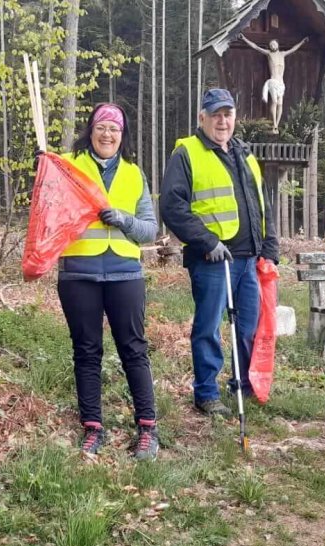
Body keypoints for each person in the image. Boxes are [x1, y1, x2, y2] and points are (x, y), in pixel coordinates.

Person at [160, 88, 279, 417]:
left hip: (249, 259)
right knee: (210, 326)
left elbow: (262, 205)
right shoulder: (187, 154)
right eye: (215, 115)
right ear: (202, 118)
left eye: (227, 114)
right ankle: (206, 392)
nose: (222, 120)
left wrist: (269, 247)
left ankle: (242, 383)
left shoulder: (244, 153)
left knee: (247, 328)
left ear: (234, 118)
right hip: (212, 259)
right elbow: (172, 206)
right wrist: (206, 242)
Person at [57, 103, 160, 461]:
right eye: (101, 127)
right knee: (86, 352)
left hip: (125, 274)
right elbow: (49, 210)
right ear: (91, 130)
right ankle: (92, 428)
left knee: (134, 350)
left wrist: (123, 220)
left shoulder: (134, 174)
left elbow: (150, 230)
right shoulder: (69, 167)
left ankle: (147, 427)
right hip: (78, 273)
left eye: (114, 129)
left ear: (122, 135)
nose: (107, 134)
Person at [239, 35, 311, 132]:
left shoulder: (283, 54)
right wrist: (244, 38)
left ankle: (277, 124)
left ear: (277, 44)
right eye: (271, 45)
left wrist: (302, 41)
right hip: (273, 81)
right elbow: (255, 46)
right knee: (275, 102)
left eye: (274, 44)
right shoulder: (269, 54)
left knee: (280, 104)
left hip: (281, 83)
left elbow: (294, 49)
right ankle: (274, 124)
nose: (273, 46)